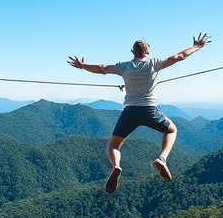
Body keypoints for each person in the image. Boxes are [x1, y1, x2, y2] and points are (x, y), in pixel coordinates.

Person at [68, 33, 210, 193]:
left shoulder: (124, 66)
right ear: (147, 51)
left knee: (113, 146)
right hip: (149, 110)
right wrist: (197, 47)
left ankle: (116, 166)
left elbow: (102, 69)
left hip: (129, 112)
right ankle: (162, 159)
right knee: (172, 130)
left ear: (133, 52)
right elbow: (180, 56)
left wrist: (83, 66)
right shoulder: (154, 63)